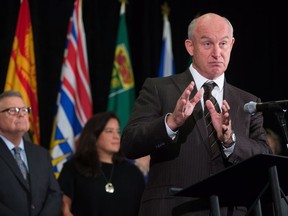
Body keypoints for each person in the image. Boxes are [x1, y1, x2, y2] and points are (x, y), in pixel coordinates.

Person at [121, 13, 272, 216]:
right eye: (208, 43)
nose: (217, 52)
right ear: (190, 46)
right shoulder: (159, 88)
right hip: (172, 209)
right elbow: (130, 143)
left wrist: (230, 141)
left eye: (223, 43)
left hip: (228, 210)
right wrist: (171, 123)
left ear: (232, 44)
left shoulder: (247, 102)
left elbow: (264, 156)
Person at [58, 111, 146, 216]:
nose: (116, 137)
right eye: (110, 131)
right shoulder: (73, 168)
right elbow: (63, 208)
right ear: (94, 137)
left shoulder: (133, 173)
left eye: (118, 132)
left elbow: (144, 209)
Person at [0, 90, 62, 216]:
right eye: (13, 110)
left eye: (24, 109)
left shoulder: (41, 154)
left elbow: (54, 194)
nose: (21, 114)